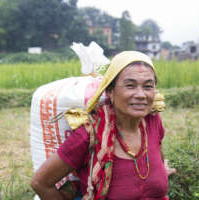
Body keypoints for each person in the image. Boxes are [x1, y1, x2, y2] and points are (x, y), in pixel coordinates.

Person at [31, 51, 176, 200]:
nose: (141, 94)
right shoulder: (89, 135)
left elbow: (154, 158)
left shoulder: (152, 121)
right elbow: (40, 183)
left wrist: (160, 172)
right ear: (110, 91)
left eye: (148, 87)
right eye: (130, 86)